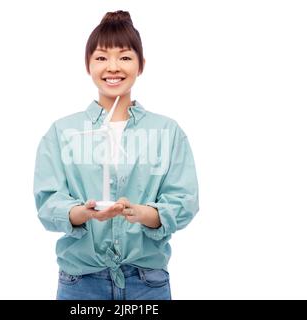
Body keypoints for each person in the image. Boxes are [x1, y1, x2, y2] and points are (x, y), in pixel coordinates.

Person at [33, 10, 199, 300]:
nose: (113, 67)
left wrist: (145, 214)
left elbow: (184, 200)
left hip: (147, 284)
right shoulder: (62, 132)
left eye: (124, 57)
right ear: (88, 65)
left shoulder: (168, 132)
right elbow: (49, 202)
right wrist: (82, 213)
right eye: (101, 57)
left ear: (141, 64)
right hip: (81, 283)